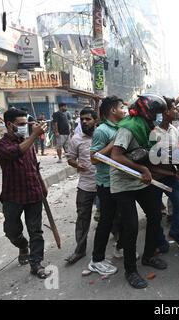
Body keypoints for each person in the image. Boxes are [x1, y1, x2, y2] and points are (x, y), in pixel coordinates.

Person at [111, 94, 168, 289]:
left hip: (141, 181)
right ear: (146, 111)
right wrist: (142, 169)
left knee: (155, 215)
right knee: (131, 227)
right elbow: (116, 156)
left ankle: (149, 255)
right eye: (156, 113)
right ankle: (130, 270)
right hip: (124, 183)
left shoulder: (147, 126)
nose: (158, 117)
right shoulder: (129, 128)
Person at [0, 108, 51, 279]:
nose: (24, 127)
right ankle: (22, 245)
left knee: (36, 231)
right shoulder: (1, 145)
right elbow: (16, 152)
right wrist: (34, 135)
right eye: (20, 124)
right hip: (13, 196)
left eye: (26, 124)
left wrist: (42, 184)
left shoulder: (28, 142)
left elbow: (34, 166)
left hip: (33, 193)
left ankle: (36, 263)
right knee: (11, 230)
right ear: (9, 125)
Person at [88, 96, 125, 276]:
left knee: (124, 218)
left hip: (121, 181)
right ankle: (96, 260)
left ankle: (119, 248)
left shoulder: (121, 127)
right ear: (112, 110)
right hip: (107, 183)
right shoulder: (102, 131)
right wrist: (112, 145)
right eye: (121, 107)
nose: (124, 110)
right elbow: (94, 159)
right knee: (106, 221)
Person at [150, 97, 179, 251]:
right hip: (152, 178)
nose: (177, 111)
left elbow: (176, 153)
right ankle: (159, 240)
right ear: (166, 111)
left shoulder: (174, 130)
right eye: (174, 108)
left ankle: (175, 232)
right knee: (154, 213)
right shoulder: (152, 131)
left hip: (170, 175)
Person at [65, 108, 98, 264]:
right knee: (83, 218)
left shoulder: (102, 135)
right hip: (85, 185)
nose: (84, 121)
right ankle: (80, 251)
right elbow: (70, 159)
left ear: (95, 121)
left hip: (105, 184)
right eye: (82, 119)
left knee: (112, 216)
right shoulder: (76, 139)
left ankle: (118, 243)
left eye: (88, 119)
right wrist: (77, 164)